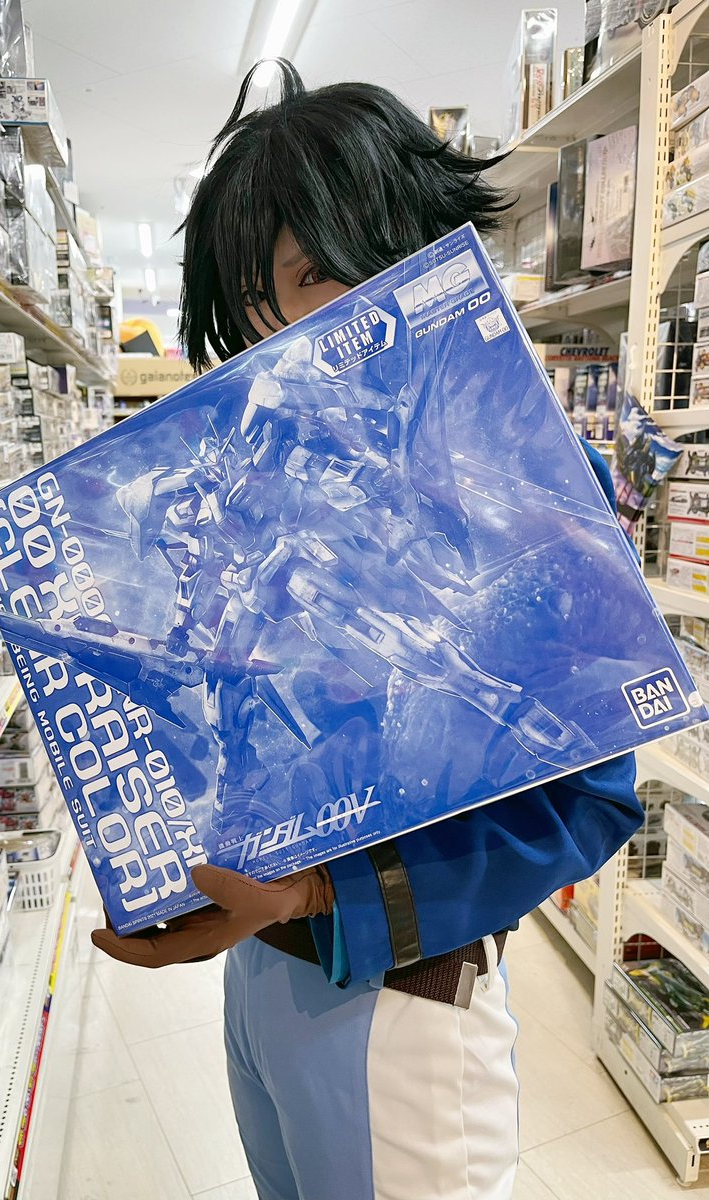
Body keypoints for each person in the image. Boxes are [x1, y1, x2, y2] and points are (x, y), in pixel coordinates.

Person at [90, 61, 644, 1200]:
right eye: (252, 305)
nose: (283, 328)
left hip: (402, 999)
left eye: (313, 276)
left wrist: (319, 897)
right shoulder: (257, 495)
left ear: (412, 250)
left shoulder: (525, 493)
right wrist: (177, 871)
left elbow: (588, 802)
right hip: (258, 982)